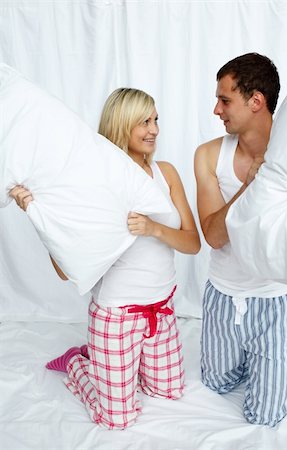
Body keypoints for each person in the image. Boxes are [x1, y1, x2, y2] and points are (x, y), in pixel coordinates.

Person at [10, 87, 200, 430]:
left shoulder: (166, 173)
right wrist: (38, 216)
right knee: (116, 419)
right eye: (144, 121)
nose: (155, 129)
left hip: (161, 312)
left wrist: (154, 228)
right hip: (117, 316)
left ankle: (111, 363)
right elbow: (66, 270)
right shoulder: (94, 185)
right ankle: (78, 363)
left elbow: (192, 243)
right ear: (121, 125)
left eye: (156, 119)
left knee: (168, 392)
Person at [194, 53, 287, 427]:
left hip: (275, 305)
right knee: (216, 382)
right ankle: (263, 361)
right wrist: (252, 186)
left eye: (225, 100)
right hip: (223, 297)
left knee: (266, 416)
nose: (216, 109)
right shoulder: (209, 156)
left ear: (256, 101)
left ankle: (275, 358)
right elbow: (212, 236)